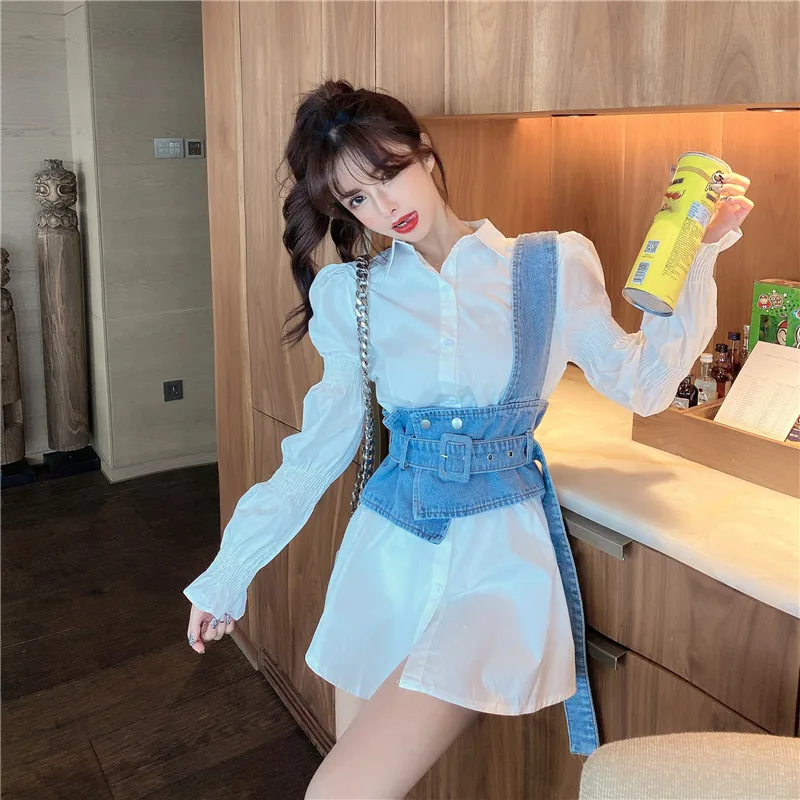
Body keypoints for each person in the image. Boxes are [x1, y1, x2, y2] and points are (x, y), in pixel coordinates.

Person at [183, 79, 753, 799]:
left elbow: (642, 385)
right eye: (358, 200)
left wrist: (697, 252)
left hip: (497, 560)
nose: (384, 207)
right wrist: (230, 571)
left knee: (338, 793)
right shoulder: (353, 294)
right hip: (387, 552)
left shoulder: (549, 266)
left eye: (388, 174)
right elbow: (317, 451)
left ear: (424, 152)